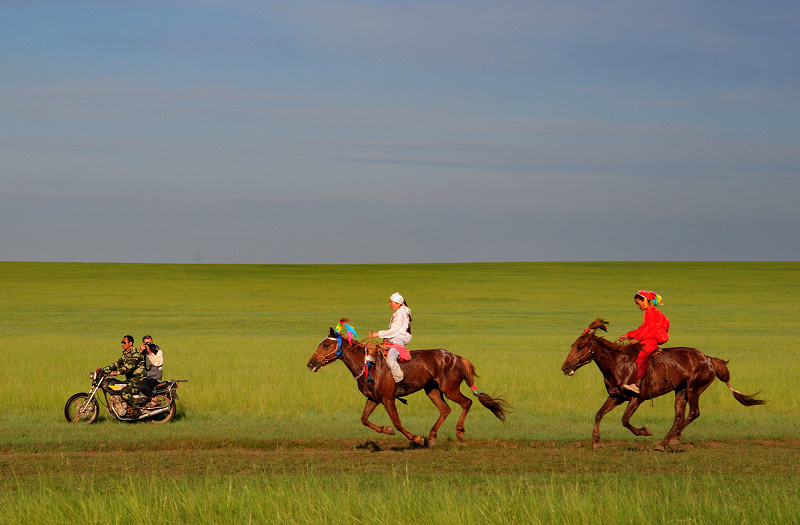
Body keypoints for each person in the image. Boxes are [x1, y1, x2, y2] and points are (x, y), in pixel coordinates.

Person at [618, 290, 670, 394]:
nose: (638, 306)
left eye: (638, 303)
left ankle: (638, 384)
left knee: (642, 356)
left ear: (645, 300)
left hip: (652, 339)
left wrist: (637, 339)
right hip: (648, 337)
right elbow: (642, 328)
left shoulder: (651, 311)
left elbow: (649, 329)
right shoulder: (648, 312)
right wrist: (628, 335)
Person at [368, 292, 412, 388]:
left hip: (397, 341)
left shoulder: (401, 315)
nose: (390, 305)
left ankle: (400, 384)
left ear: (398, 303)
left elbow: (394, 331)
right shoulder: (397, 313)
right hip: (391, 340)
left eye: (391, 302)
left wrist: (377, 334)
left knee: (391, 361)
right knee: (371, 355)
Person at [100, 335, 148, 414]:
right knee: (116, 388)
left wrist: (116, 373)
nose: (122, 344)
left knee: (124, 392)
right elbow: (116, 364)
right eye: (122, 342)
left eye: (124, 342)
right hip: (130, 380)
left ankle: (136, 409)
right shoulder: (126, 355)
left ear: (130, 343)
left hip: (138, 380)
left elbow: (128, 367)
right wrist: (104, 369)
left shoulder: (136, 354)